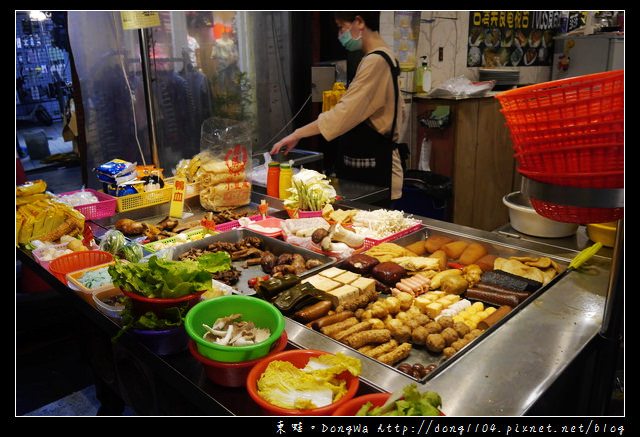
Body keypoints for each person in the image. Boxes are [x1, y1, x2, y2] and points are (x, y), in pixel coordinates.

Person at [270, 11, 405, 204]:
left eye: (342, 27)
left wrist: (297, 133)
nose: (340, 34)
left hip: (376, 170)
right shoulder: (386, 57)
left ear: (359, 22)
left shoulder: (376, 61)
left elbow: (343, 115)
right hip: (374, 167)